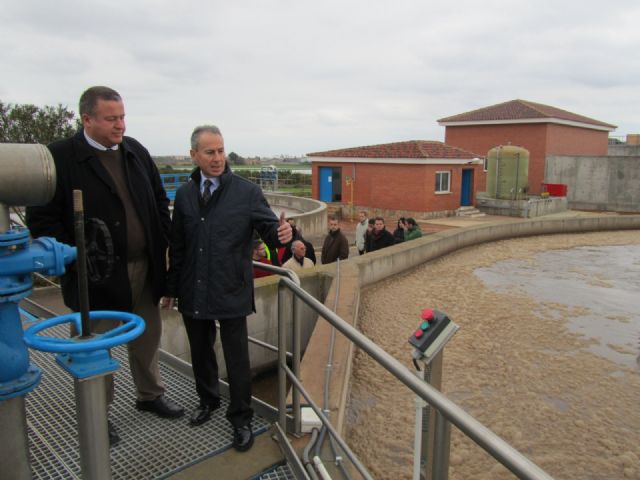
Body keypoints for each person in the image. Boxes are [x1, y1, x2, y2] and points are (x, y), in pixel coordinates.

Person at [26, 86, 184, 447]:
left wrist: (167, 248)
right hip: (94, 275)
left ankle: (150, 395)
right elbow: (43, 220)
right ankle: (98, 412)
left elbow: (159, 203)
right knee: (95, 344)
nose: (120, 126)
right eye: (112, 119)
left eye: (123, 117)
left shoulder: (135, 152)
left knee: (147, 336)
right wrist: (75, 260)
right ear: (87, 119)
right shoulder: (61, 158)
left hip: (144, 268)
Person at [163, 125, 292, 452]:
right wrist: (172, 287)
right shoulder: (185, 195)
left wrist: (284, 234)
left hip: (231, 288)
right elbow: (177, 246)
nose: (218, 158)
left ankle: (241, 418)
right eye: (210, 152)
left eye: (221, 151)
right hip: (194, 288)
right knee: (201, 351)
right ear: (194, 155)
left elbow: (270, 231)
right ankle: (207, 401)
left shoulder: (246, 193)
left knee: (237, 359)